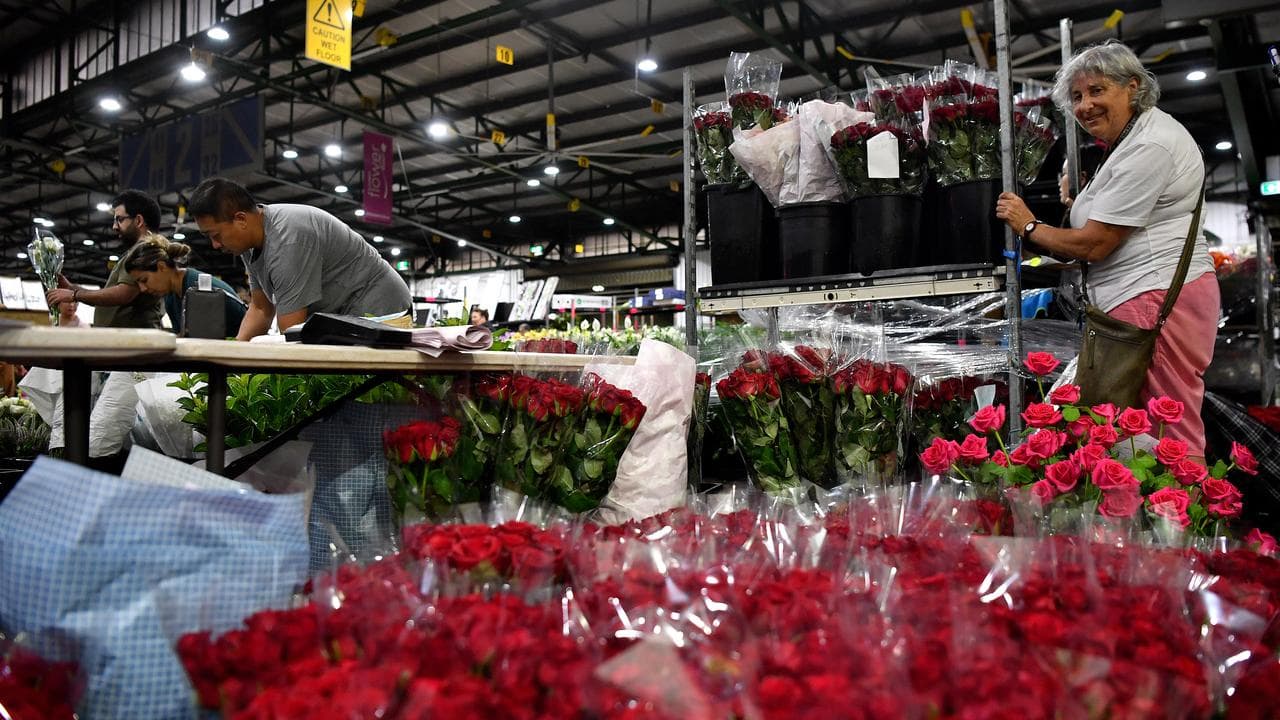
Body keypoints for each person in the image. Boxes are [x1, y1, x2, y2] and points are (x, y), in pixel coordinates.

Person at [995, 40, 1218, 456]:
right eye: (1077, 97)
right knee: (1137, 429)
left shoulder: (1150, 145)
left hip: (1153, 295)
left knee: (1167, 430)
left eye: (1097, 91)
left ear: (1133, 86)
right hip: (1142, 295)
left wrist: (1028, 224)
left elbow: (1096, 243)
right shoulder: (1130, 140)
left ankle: (1184, 499)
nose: (1085, 106)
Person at [188, 178, 411, 340]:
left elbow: (291, 333)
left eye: (216, 235)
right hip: (343, 313)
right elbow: (261, 309)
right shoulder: (250, 244)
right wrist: (231, 361)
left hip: (378, 305)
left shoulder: (288, 240)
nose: (215, 245)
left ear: (241, 220)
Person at [44, 189, 165, 329]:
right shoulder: (137, 251)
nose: (114, 226)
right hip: (128, 338)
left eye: (120, 219)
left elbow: (123, 294)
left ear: (138, 221)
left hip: (134, 339)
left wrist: (74, 295)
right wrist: (71, 288)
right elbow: (111, 295)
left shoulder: (146, 249)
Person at [123, 235, 247, 336]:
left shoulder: (199, 290)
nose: (142, 289)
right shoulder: (171, 294)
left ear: (162, 267)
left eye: (144, 280)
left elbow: (201, 343)